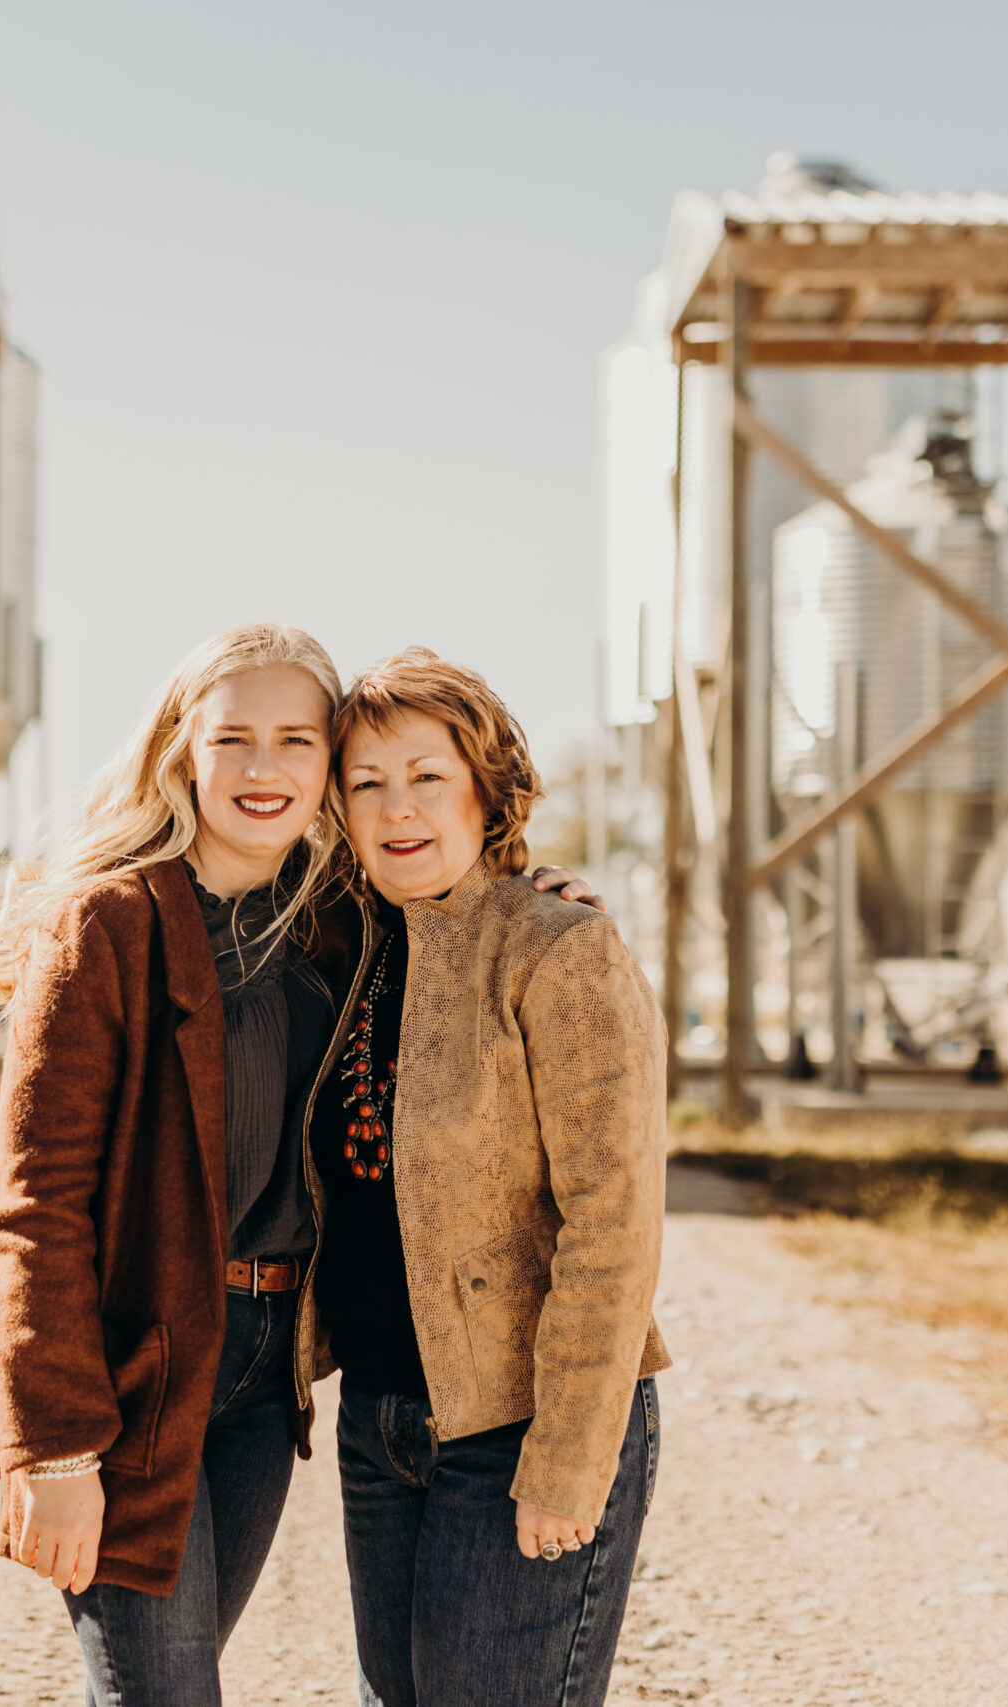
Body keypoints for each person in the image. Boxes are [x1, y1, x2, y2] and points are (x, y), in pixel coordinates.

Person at [0, 624, 597, 1707]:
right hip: (143, 1369)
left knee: (182, 1676)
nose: (263, 767)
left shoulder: (339, 923)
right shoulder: (103, 928)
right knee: (161, 1692)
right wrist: (49, 1448)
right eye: (232, 738)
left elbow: (454, 894)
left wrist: (526, 884)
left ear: (328, 766)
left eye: (295, 740)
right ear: (179, 752)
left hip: (268, 1368)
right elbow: (35, 1210)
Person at [315, 647, 669, 1707]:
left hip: (521, 1419)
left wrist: (567, 1459)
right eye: (367, 782)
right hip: (380, 1422)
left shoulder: (554, 948)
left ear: (487, 787)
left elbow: (612, 1221)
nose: (397, 807)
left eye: (427, 774)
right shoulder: (341, 947)